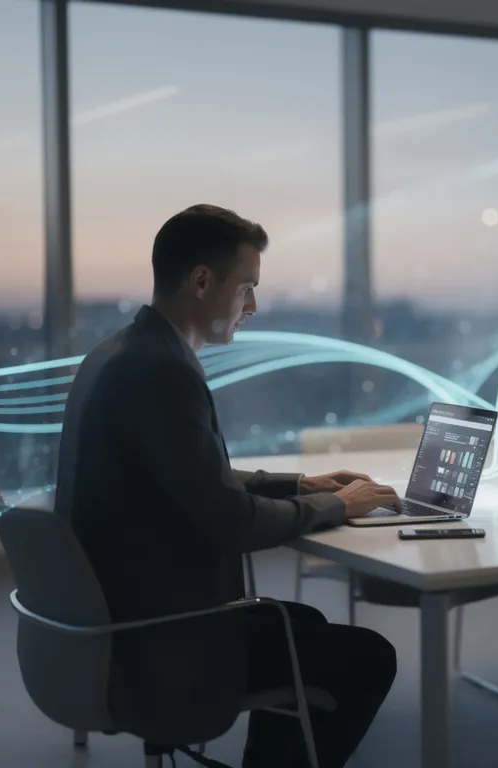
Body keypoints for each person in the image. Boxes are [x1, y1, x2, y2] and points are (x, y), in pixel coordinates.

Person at [54, 204, 400, 767]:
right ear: (201, 281)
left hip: (120, 617)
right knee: (368, 657)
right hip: (163, 639)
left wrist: (300, 483)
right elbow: (228, 521)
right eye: (247, 288)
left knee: (302, 624)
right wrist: (337, 504)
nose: (254, 307)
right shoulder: (161, 371)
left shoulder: (123, 351)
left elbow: (187, 477)